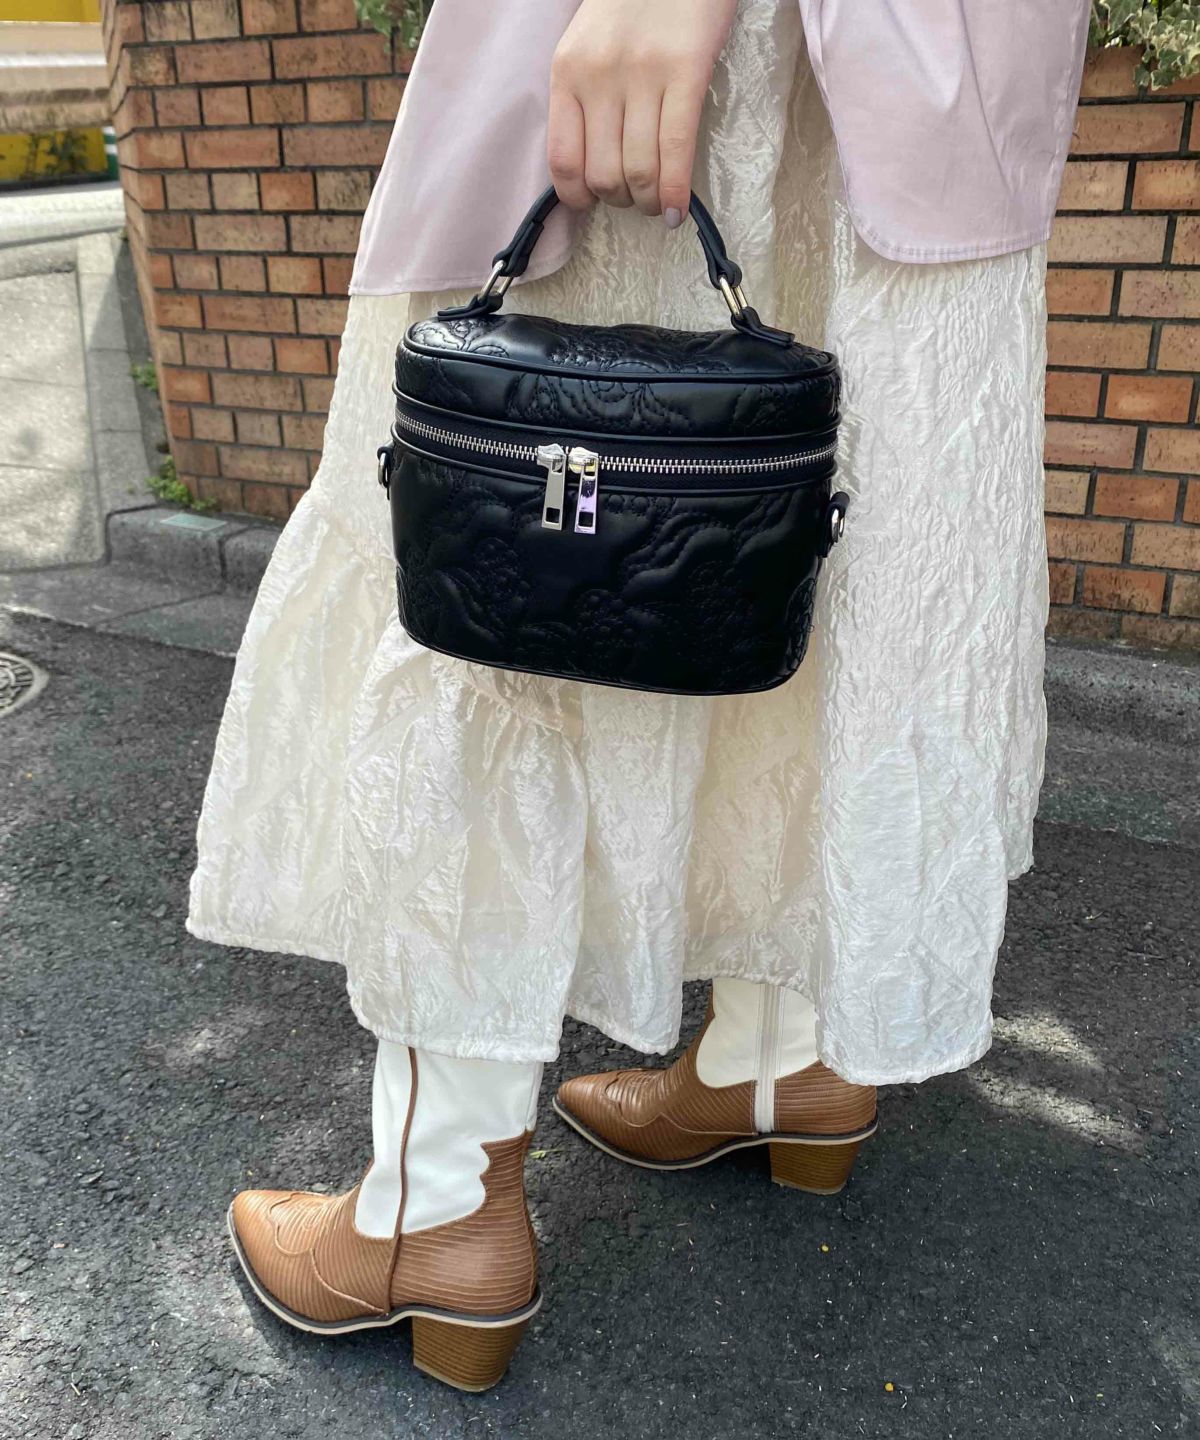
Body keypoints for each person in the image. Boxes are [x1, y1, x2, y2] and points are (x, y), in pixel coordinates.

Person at [188, 0, 1092, 1393]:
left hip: (679, 44)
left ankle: (436, 1209)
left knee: (511, 607)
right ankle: (780, 1064)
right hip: (939, 73)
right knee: (819, 574)